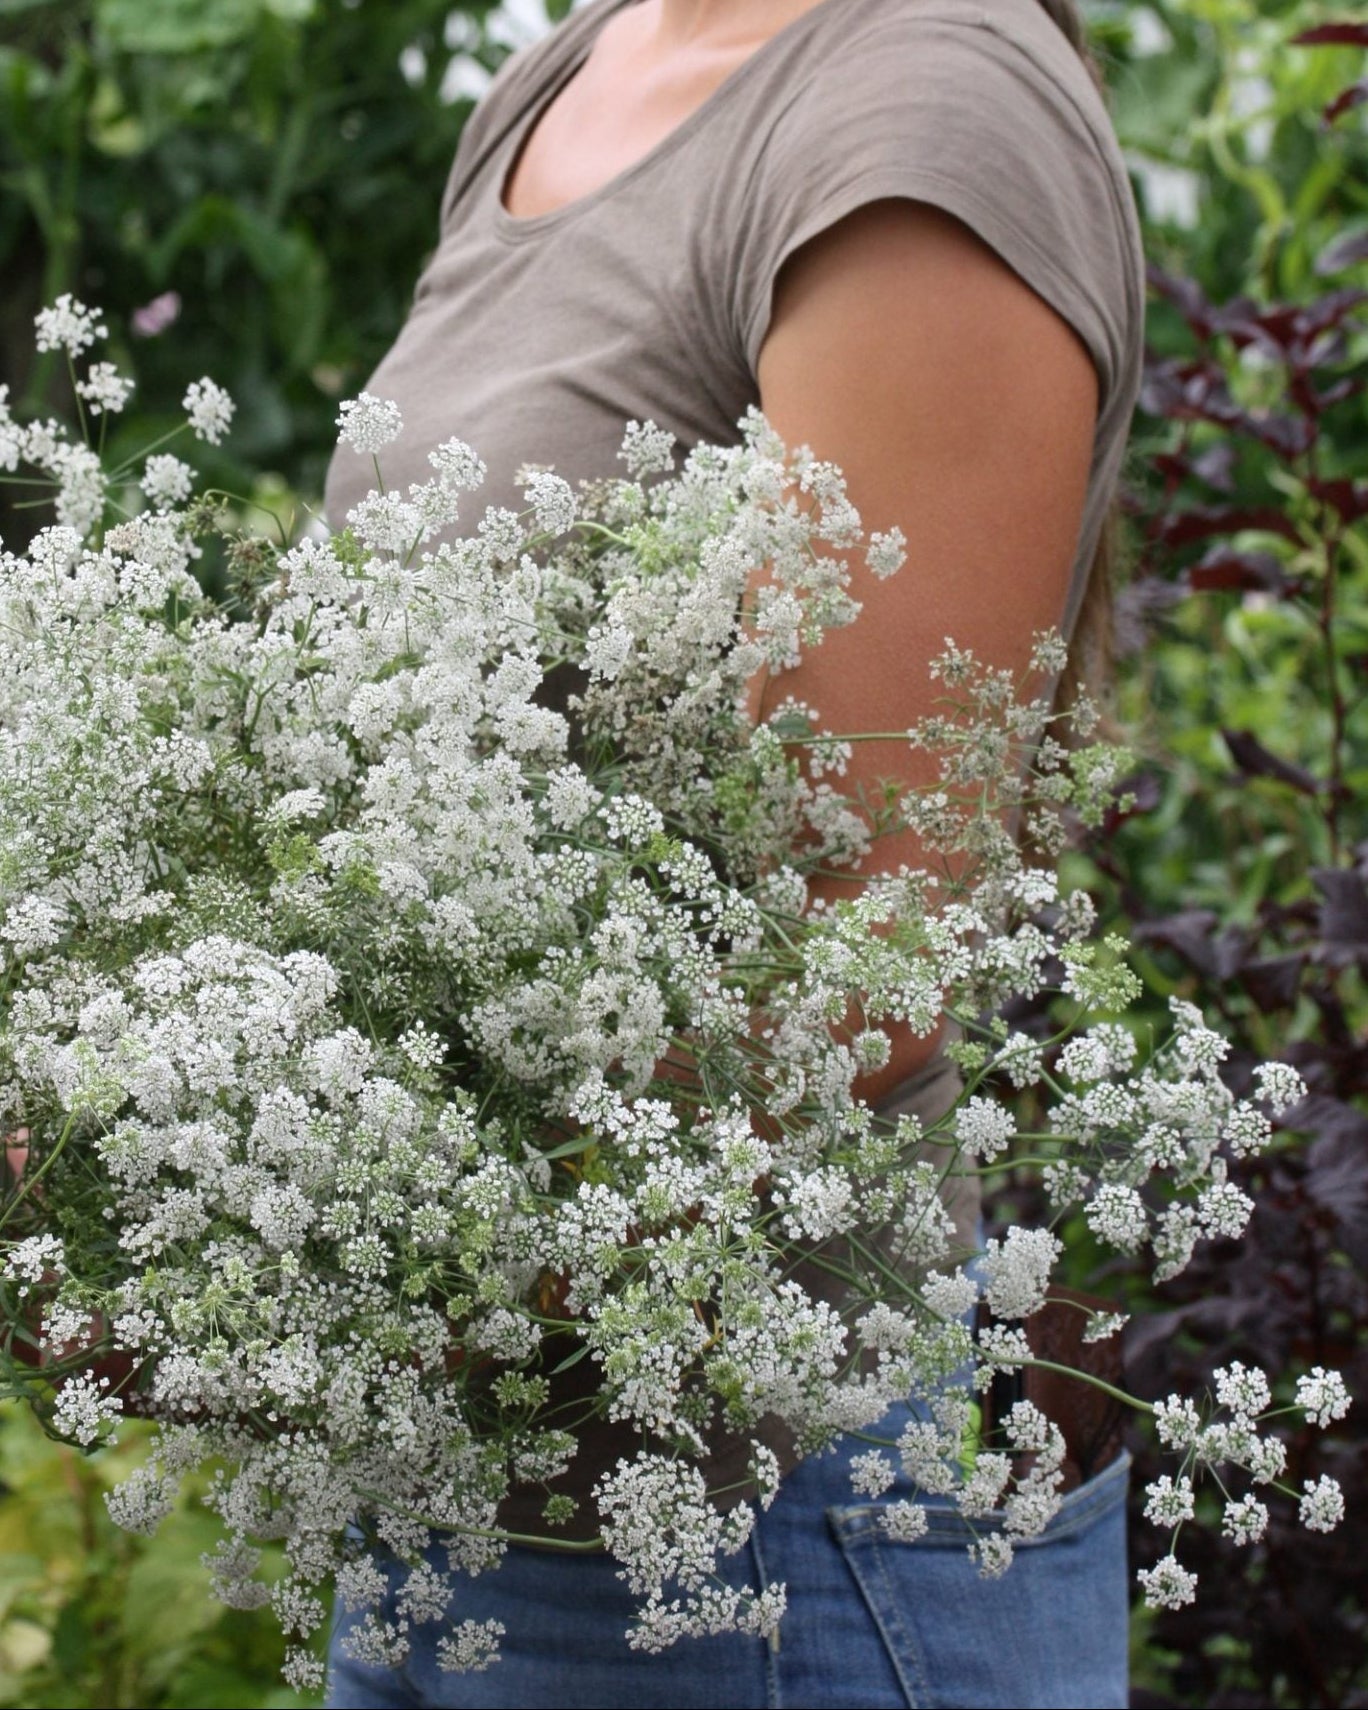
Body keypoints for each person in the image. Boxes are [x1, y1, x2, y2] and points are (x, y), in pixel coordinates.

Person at [322, 1, 1145, 1704]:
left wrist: (288, 1247)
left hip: (764, 1546)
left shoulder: (923, 113)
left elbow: (847, 973)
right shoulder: (578, 68)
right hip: (459, 1483)